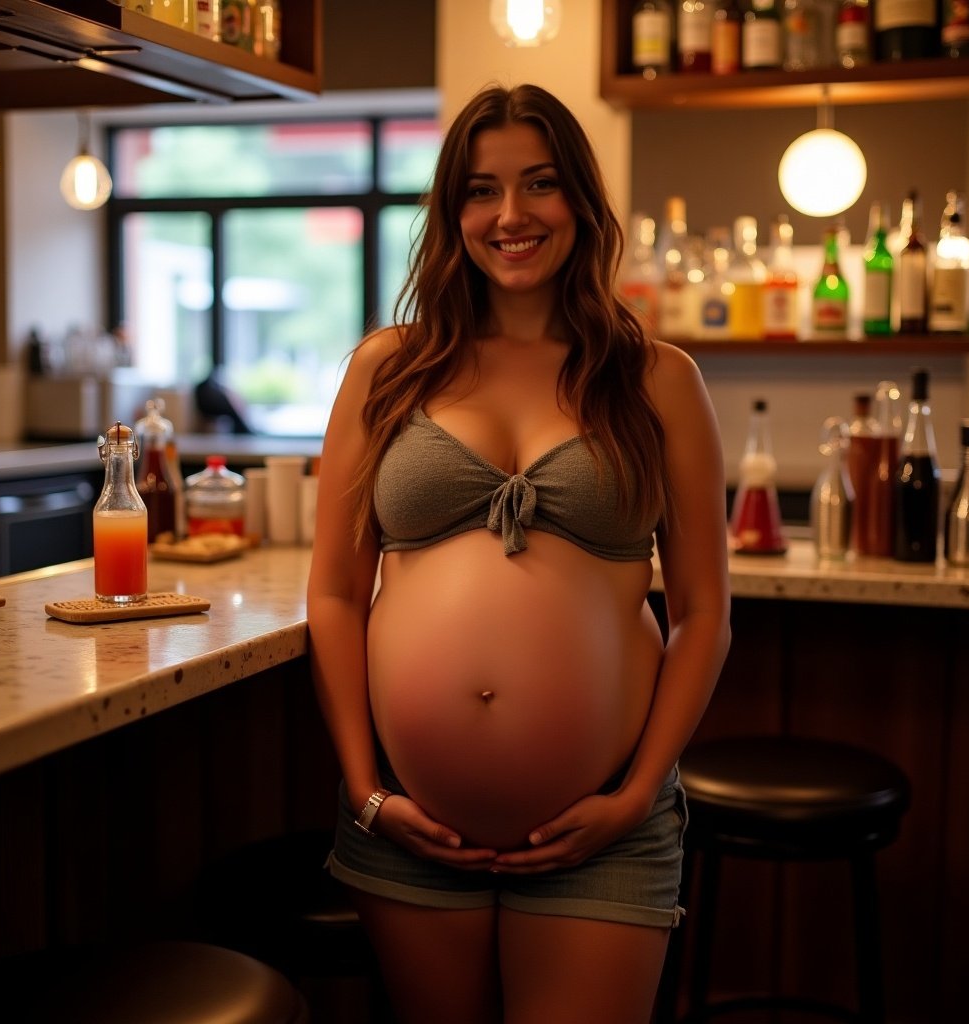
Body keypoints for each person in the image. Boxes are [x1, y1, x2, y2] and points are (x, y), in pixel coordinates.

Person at [306, 82, 731, 1024]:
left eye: (538, 185)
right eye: (480, 190)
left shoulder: (659, 380)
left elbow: (704, 615)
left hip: (607, 828)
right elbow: (335, 594)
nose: (510, 216)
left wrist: (632, 798)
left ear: (579, 200)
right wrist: (369, 790)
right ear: (452, 212)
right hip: (408, 825)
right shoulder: (387, 368)